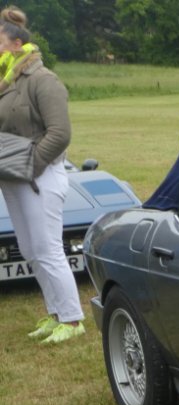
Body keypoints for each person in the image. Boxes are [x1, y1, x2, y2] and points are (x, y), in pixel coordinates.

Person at [0, 6, 82, 344]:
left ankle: (73, 321)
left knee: (48, 249)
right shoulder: (6, 81)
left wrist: (32, 165)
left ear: (16, 44)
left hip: (40, 176)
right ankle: (56, 313)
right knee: (30, 250)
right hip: (13, 177)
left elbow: (60, 133)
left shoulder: (43, 79)